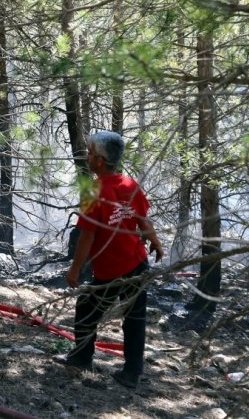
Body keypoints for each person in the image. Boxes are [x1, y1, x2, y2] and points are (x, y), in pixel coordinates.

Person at [59, 131, 164, 389]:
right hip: (137, 263)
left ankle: (82, 358)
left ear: (100, 161)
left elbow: (86, 237)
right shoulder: (130, 185)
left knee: (86, 310)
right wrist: (156, 243)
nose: (87, 157)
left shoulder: (95, 192)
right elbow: (143, 220)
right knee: (134, 319)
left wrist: (74, 271)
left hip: (112, 271)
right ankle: (132, 372)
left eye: (90, 153)